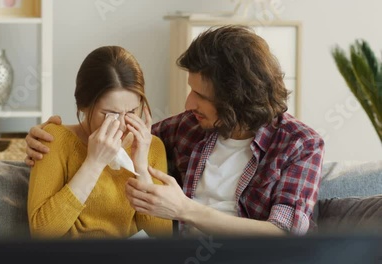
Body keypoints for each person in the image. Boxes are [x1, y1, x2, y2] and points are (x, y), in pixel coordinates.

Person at [25, 25, 325, 237]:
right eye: (190, 90)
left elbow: (285, 234)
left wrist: (186, 210)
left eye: (202, 97)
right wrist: (36, 138)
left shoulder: (300, 145)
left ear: (236, 99)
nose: (188, 103)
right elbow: (121, 143)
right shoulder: (188, 128)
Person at [27, 46, 172, 239]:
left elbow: (162, 239)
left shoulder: (151, 146)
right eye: (109, 114)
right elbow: (42, 233)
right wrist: (94, 163)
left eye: (131, 112)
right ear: (84, 106)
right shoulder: (55, 139)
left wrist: (142, 169)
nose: (121, 125)